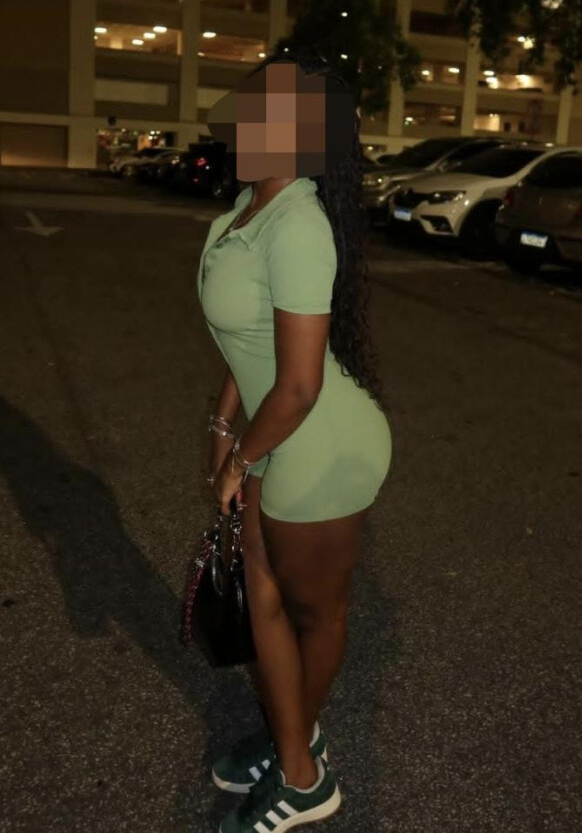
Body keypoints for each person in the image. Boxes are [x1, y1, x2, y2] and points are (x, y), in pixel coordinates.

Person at [198, 50, 393, 833]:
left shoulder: (299, 224)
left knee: (310, 611)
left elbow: (302, 383)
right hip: (274, 429)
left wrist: (239, 459)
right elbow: (249, 340)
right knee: (266, 604)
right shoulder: (250, 206)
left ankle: (305, 780)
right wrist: (223, 425)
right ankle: (293, 739)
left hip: (318, 445)